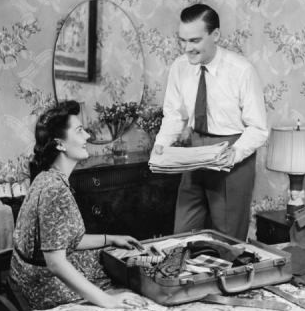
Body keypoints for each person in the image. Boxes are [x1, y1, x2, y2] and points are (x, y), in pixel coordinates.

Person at [10, 101, 146, 310]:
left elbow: (60, 240)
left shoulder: (45, 177)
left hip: (24, 276)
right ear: (60, 144)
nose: (88, 137)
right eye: (80, 131)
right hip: (41, 285)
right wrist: (108, 301)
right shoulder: (55, 190)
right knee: (127, 292)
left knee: (112, 258)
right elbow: (56, 263)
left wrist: (110, 239)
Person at [153, 4, 268, 241]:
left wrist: (235, 153)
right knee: (182, 235)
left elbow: (258, 128)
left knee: (227, 240)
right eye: (182, 40)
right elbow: (175, 114)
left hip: (232, 154)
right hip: (195, 151)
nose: (187, 48)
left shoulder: (241, 70)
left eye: (194, 40)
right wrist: (161, 145)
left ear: (215, 35)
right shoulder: (179, 67)